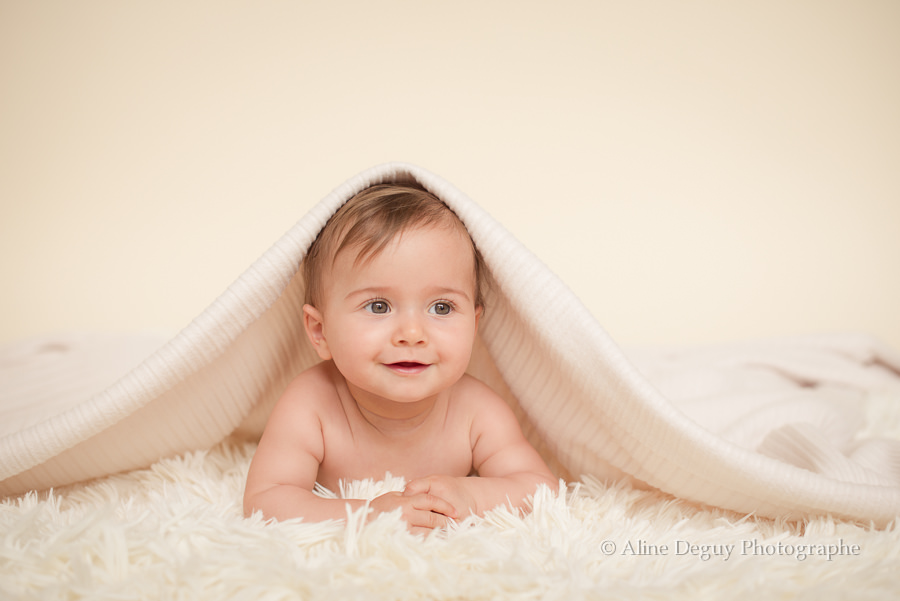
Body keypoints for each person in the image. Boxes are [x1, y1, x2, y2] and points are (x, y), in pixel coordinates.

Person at [243, 182, 557, 533]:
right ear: (320, 332)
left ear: (474, 326)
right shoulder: (311, 404)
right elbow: (266, 501)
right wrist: (368, 516)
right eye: (379, 306)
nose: (412, 333)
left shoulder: (476, 411)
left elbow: (540, 489)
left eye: (441, 307)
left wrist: (472, 497)